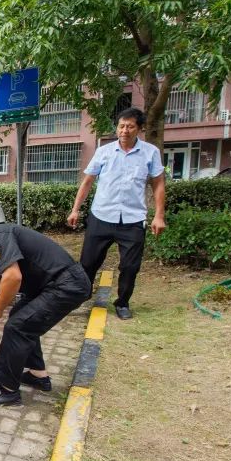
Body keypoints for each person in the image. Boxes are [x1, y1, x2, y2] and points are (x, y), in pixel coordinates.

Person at [0, 219, 91, 407]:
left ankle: (7, 390)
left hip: (66, 285)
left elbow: (13, 277)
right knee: (20, 317)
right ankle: (38, 375)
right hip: (54, 285)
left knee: (18, 327)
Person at [66, 107, 166, 319]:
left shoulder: (150, 153)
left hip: (132, 220)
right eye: (121, 126)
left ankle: (122, 303)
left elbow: (158, 184)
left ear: (139, 129)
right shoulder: (104, 152)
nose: (124, 131)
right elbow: (87, 182)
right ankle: (79, 297)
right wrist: (75, 209)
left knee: (130, 266)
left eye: (130, 126)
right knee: (87, 263)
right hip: (101, 216)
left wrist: (159, 215)